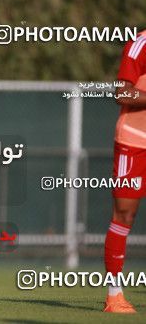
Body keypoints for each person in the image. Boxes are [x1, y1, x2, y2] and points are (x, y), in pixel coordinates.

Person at [103, 29, 146, 313]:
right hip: (136, 141)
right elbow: (122, 92)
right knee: (124, 216)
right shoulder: (141, 43)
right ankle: (114, 295)